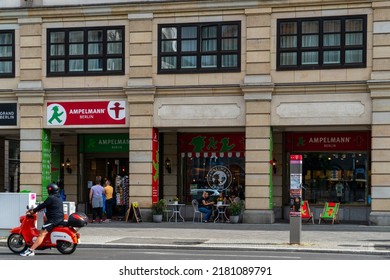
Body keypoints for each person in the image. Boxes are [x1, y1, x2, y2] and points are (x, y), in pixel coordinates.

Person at [20, 183, 64, 257]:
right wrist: (41, 208)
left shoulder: (51, 198)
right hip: (58, 218)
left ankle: (31, 251)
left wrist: (33, 211)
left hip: (53, 220)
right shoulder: (58, 198)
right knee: (45, 220)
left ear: (50, 190)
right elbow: (47, 205)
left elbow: (43, 205)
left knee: (41, 234)